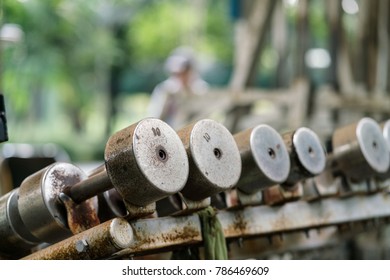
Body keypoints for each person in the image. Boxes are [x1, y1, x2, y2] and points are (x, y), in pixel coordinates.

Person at [147, 47, 209, 129]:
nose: (181, 76)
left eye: (184, 72)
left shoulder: (200, 89)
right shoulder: (165, 89)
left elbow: (205, 117)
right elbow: (154, 117)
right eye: (176, 73)